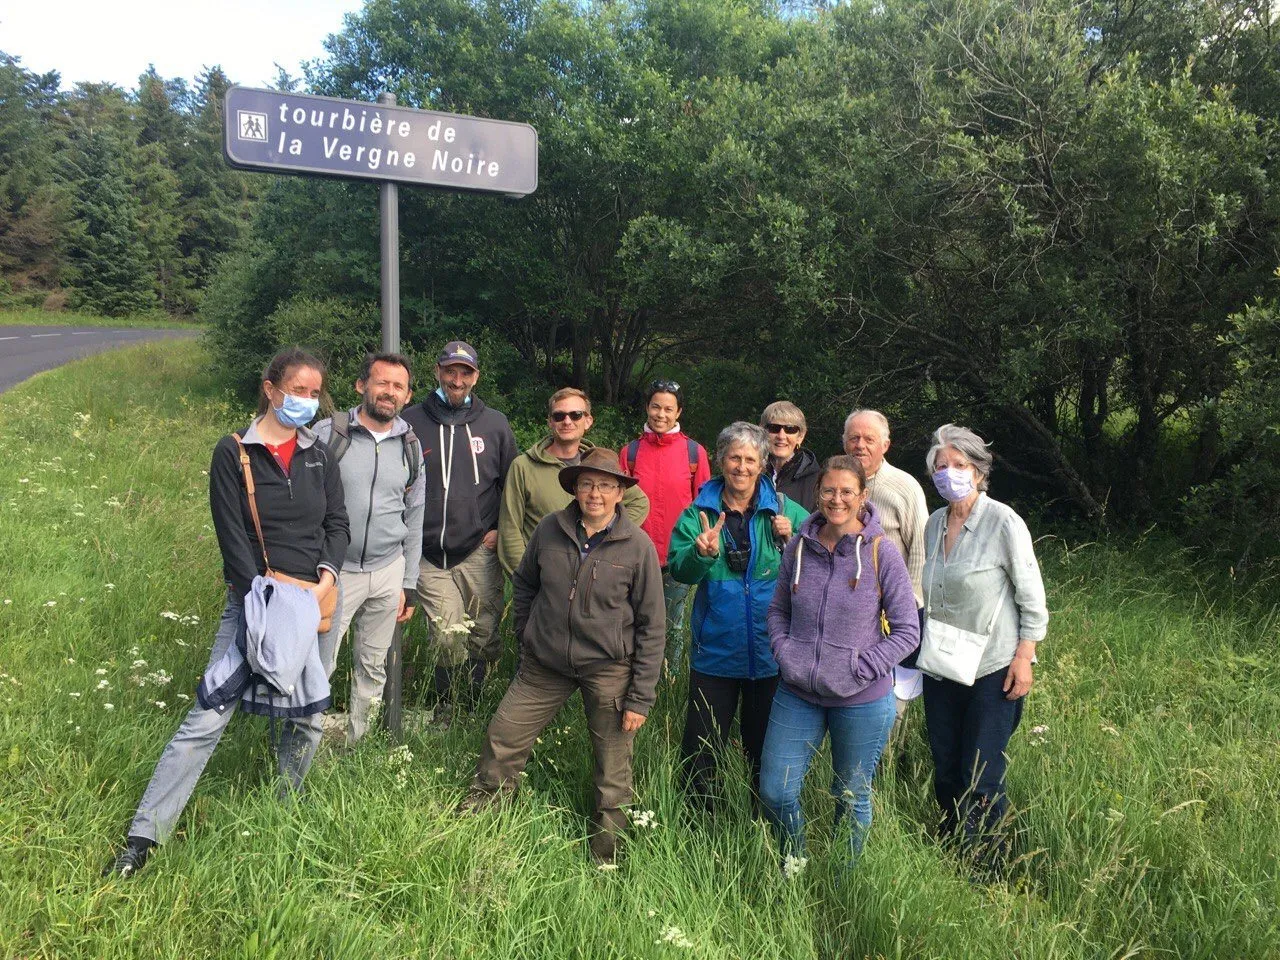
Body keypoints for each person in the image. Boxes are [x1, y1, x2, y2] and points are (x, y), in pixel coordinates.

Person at [103, 347, 350, 877]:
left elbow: (337, 524)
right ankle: (143, 838)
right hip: (256, 605)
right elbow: (231, 538)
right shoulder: (234, 451)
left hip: (315, 601)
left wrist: (325, 581)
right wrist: (264, 598)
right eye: (296, 391)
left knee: (307, 718)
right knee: (208, 717)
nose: (306, 401)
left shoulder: (319, 454)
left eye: (313, 393)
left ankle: (285, 811)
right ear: (270, 388)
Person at [460, 448, 665, 865]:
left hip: (609, 668)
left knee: (613, 768)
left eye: (606, 485)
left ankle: (607, 857)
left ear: (619, 493)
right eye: (587, 483)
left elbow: (652, 625)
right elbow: (525, 585)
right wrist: (527, 635)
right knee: (502, 738)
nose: (595, 493)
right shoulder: (551, 529)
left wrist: (640, 697)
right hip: (545, 664)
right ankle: (476, 827)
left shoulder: (637, 545)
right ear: (574, 487)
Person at [760, 455, 920, 865]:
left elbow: (907, 630)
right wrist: (786, 651)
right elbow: (778, 610)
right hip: (797, 691)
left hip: (861, 699)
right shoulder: (798, 545)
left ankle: (842, 877)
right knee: (776, 791)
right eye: (829, 490)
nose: (837, 499)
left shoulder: (882, 553)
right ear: (819, 493)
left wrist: (861, 668)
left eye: (847, 491)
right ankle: (794, 862)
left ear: (863, 496)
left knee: (850, 795)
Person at [919, 423, 1048, 873]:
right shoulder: (934, 524)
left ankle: (986, 868)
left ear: (979, 471)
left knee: (982, 773)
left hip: (993, 668)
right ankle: (953, 851)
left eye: (960, 465)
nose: (950, 473)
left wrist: (1024, 656)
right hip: (942, 667)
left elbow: (1031, 596)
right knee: (947, 767)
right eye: (942, 466)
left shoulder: (1003, 521)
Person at [667, 422, 810, 808]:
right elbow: (679, 570)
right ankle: (698, 828)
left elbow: (818, 558)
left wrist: (793, 534)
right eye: (734, 457)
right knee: (701, 751)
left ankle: (758, 824)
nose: (742, 467)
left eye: (750, 459)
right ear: (720, 460)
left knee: (763, 751)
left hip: (770, 655)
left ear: (763, 464)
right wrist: (701, 554)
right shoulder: (697, 513)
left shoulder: (786, 511)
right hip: (715, 653)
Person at [401, 341, 518, 720]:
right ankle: (446, 706)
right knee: (448, 635)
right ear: (437, 372)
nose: (457, 379)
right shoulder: (411, 420)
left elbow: (510, 484)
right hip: (428, 551)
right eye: (450, 371)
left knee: (484, 633)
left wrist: (500, 528)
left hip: (478, 548)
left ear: (475, 377)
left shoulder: (495, 423)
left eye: (465, 372)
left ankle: (476, 705)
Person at [313, 352, 425, 744]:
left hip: (388, 569)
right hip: (333, 571)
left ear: (408, 395)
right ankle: (305, 746)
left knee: (372, 665)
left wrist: (408, 582)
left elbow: (415, 516)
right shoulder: (329, 434)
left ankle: (357, 745)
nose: (388, 392)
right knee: (318, 664)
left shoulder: (410, 445)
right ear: (362, 386)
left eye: (398, 386)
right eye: (381, 382)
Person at [498, 387, 650, 576]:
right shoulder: (523, 467)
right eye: (559, 416)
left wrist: (606, 537)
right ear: (550, 422)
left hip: (592, 580)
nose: (567, 421)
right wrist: (528, 579)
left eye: (576, 415)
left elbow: (639, 502)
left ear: (588, 421)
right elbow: (509, 530)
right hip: (543, 579)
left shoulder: (602, 466)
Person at [843, 409, 929, 735]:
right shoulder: (837, 481)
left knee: (890, 697)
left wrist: (910, 608)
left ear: (885, 445)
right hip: (847, 613)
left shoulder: (904, 487)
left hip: (892, 613)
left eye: (869, 439)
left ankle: (885, 768)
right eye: (854, 438)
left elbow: (921, 550)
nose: (860, 445)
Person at [618, 379, 711, 654]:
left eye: (668, 409)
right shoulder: (630, 453)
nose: (661, 414)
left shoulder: (694, 452)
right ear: (647, 407)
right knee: (634, 620)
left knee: (672, 623)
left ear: (678, 412)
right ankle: (634, 677)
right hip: (637, 553)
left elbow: (703, 506)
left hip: (678, 555)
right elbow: (619, 505)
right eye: (656, 407)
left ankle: (669, 684)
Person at [760, 401, 820, 512]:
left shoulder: (817, 481)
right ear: (762, 432)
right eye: (774, 428)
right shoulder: (749, 472)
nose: (781, 436)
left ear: (800, 436)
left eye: (790, 429)